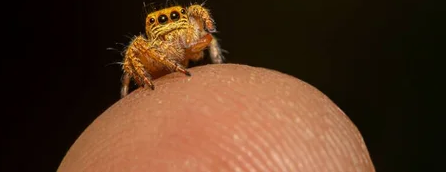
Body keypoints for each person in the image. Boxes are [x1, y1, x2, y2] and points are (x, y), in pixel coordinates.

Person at [58, 64, 375, 171]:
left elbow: (203, 24)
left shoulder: (188, 25)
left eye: (174, 18)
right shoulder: (147, 45)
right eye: (160, 21)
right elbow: (133, 57)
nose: (168, 26)